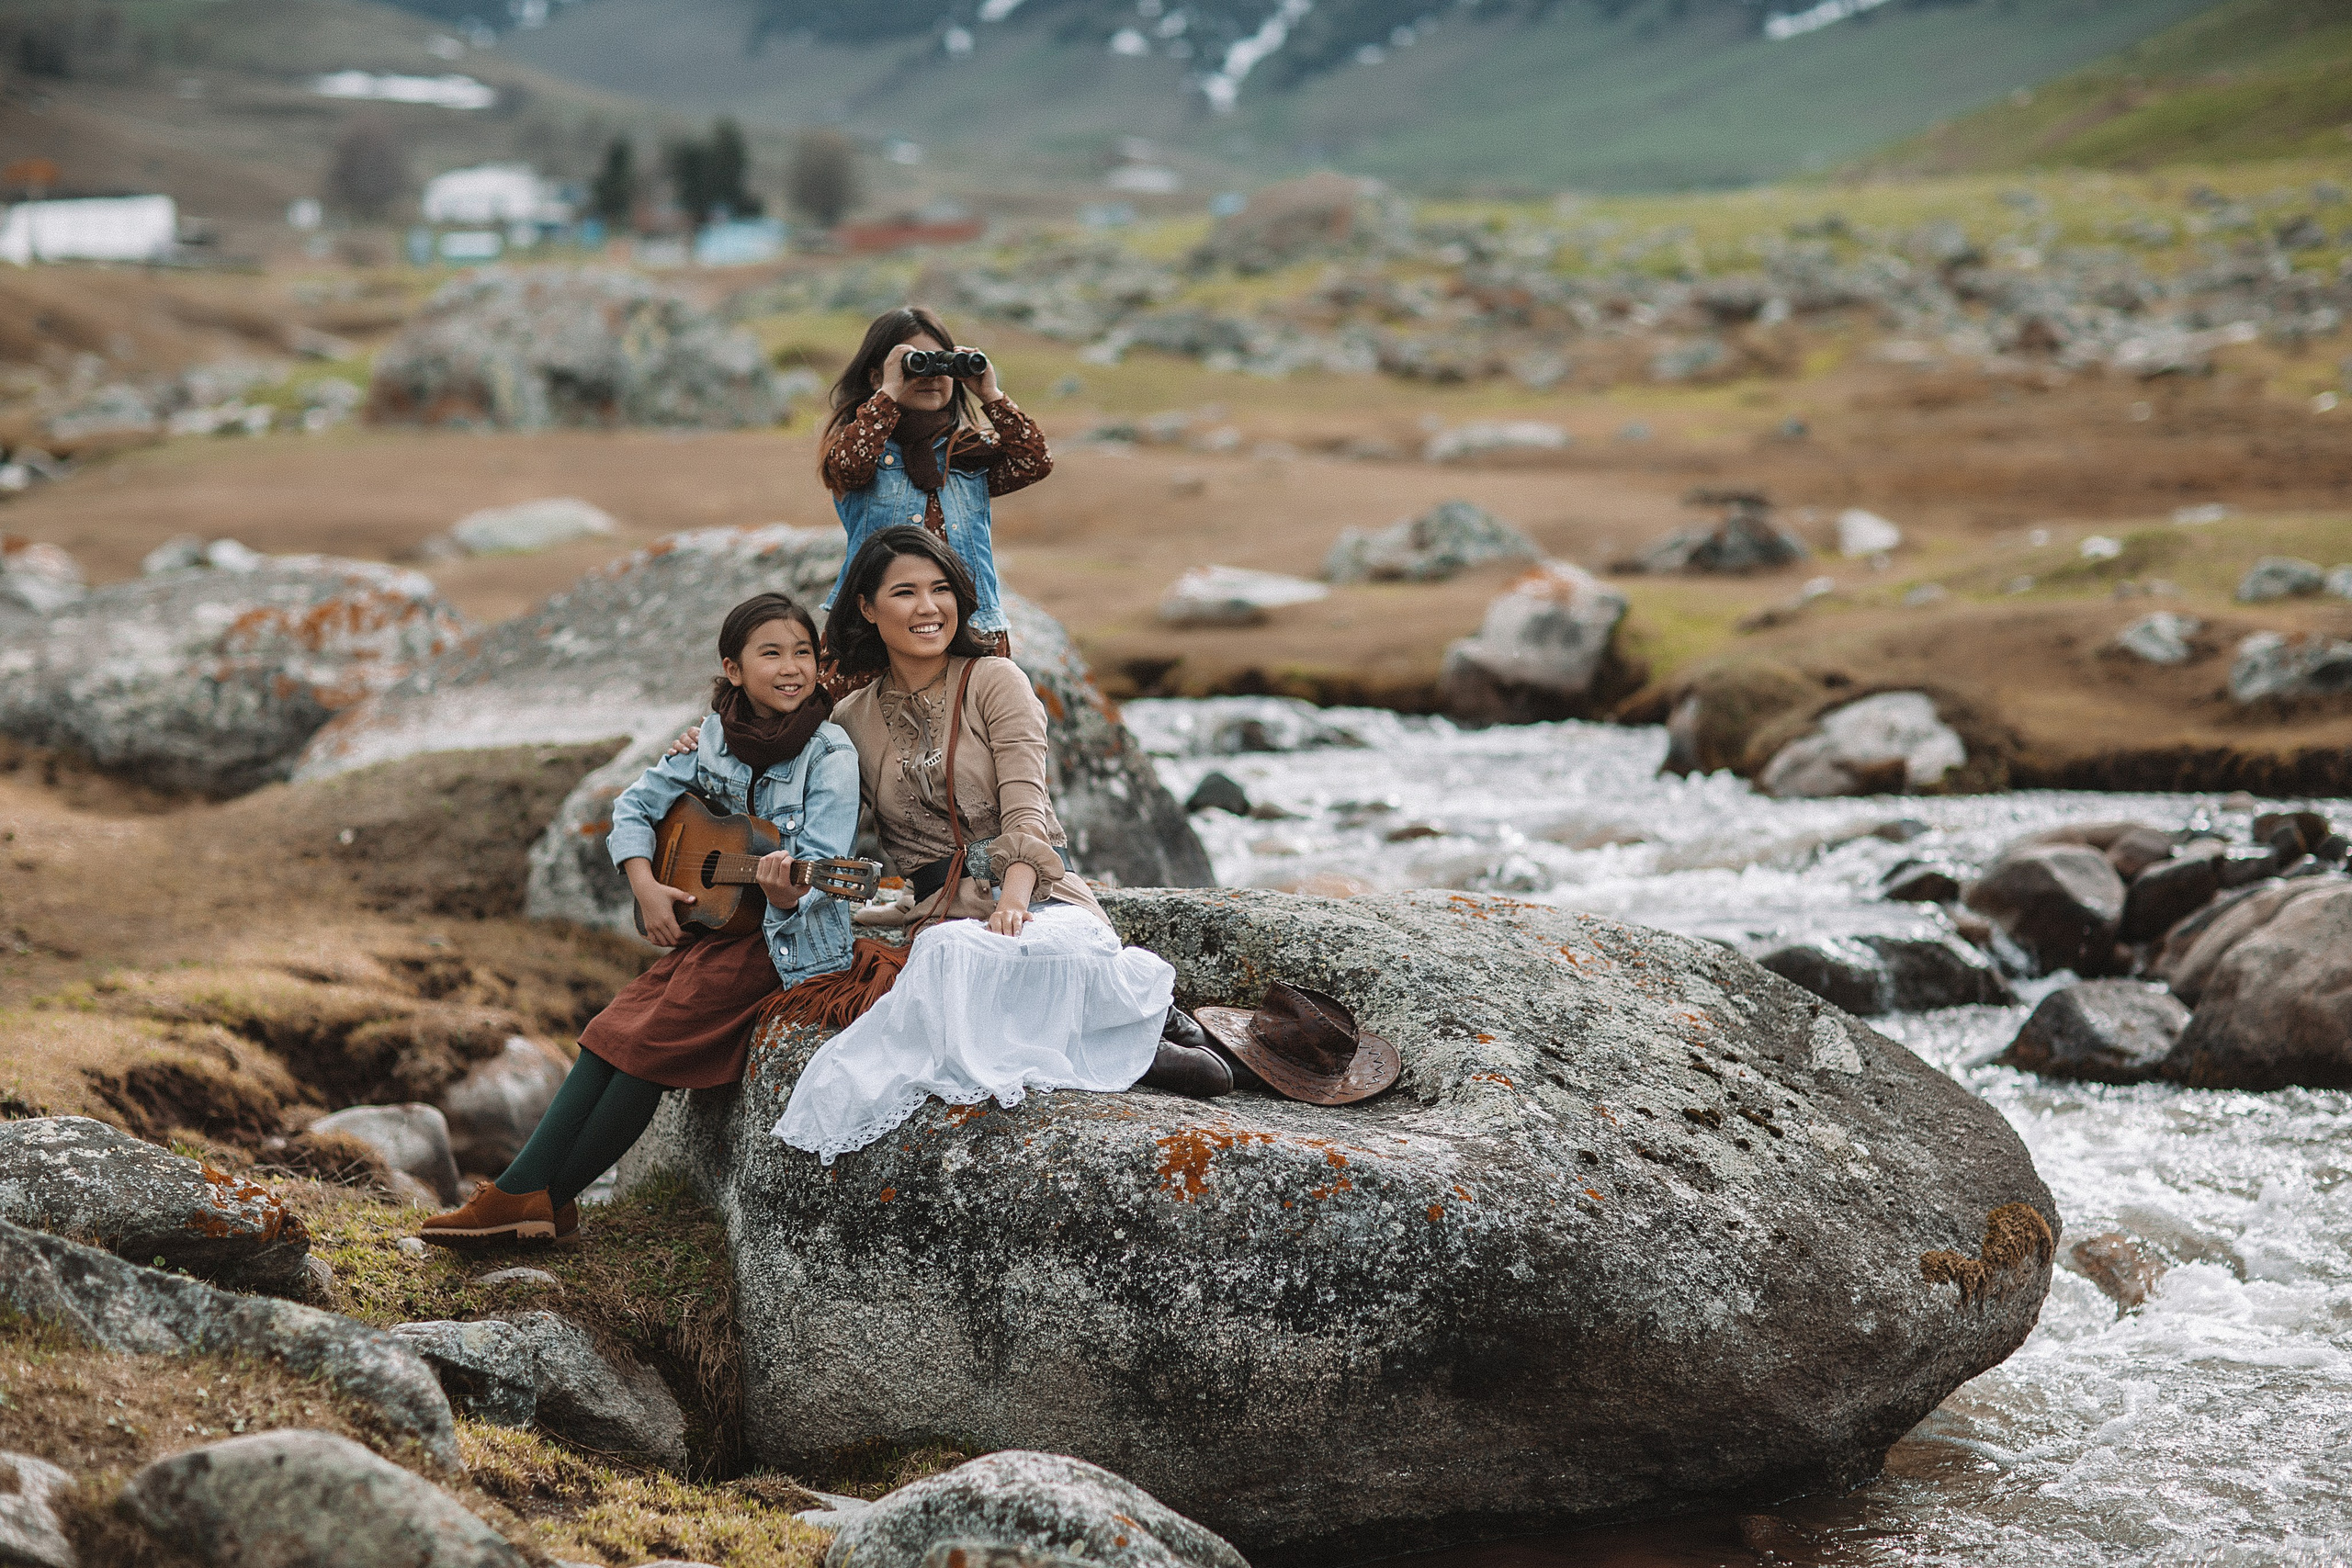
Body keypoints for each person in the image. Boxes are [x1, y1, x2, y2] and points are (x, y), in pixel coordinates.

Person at [766, 527, 1233, 1165]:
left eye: (941, 590)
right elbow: (781, 763)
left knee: (992, 949)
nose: (929, 607)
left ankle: (1137, 1026)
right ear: (868, 608)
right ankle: (1132, 1034)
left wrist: (1012, 901)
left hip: (1039, 900)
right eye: (905, 592)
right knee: (949, 952)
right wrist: (702, 744)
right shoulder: (849, 718)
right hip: (940, 916)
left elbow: (1028, 814)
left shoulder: (996, 680)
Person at [419, 592, 860, 1246]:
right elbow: (634, 805)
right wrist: (646, 883)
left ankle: (534, 1198)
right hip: (715, 935)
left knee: (646, 1048)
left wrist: (793, 890)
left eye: (803, 652)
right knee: (607, 1031)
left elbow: (823, 866)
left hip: (779, 943)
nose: (792, 666)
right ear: (733, 669)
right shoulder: (711, 735)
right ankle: (536, 1199)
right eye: (771, 652)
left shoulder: (830, 753)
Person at [816, 305, 1048, 679]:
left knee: (974, 734)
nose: (930, 377)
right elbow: (848, 465)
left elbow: (1034, 461)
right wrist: (889, 392)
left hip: (970, 626)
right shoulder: (861, 450)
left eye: (942, 366)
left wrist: (990, 394)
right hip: (876, 631)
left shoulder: (967, 455)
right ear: (877, 376)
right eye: (915, 365)